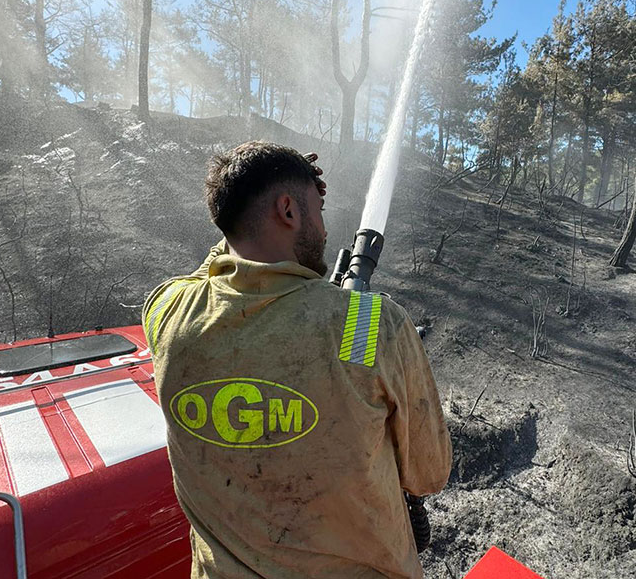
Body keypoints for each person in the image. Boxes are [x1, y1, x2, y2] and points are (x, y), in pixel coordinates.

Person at [142, 141, 452, 579]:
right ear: (287, 210)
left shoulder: (169, 312)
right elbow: (428, 474)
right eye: (318, 211)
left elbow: (218, 262)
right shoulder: (365, 324)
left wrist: (251, 193)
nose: (324, 232)